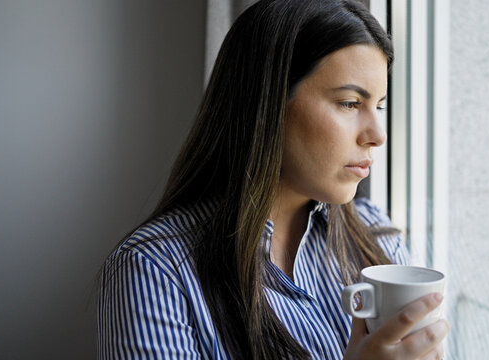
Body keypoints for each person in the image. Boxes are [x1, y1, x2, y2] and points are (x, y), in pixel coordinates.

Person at [97, 0, 449, 358]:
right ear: (267, 104)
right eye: (349, 103)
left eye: (379, 106)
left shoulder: (374, 238)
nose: (377, 134)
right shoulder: (154, 271)